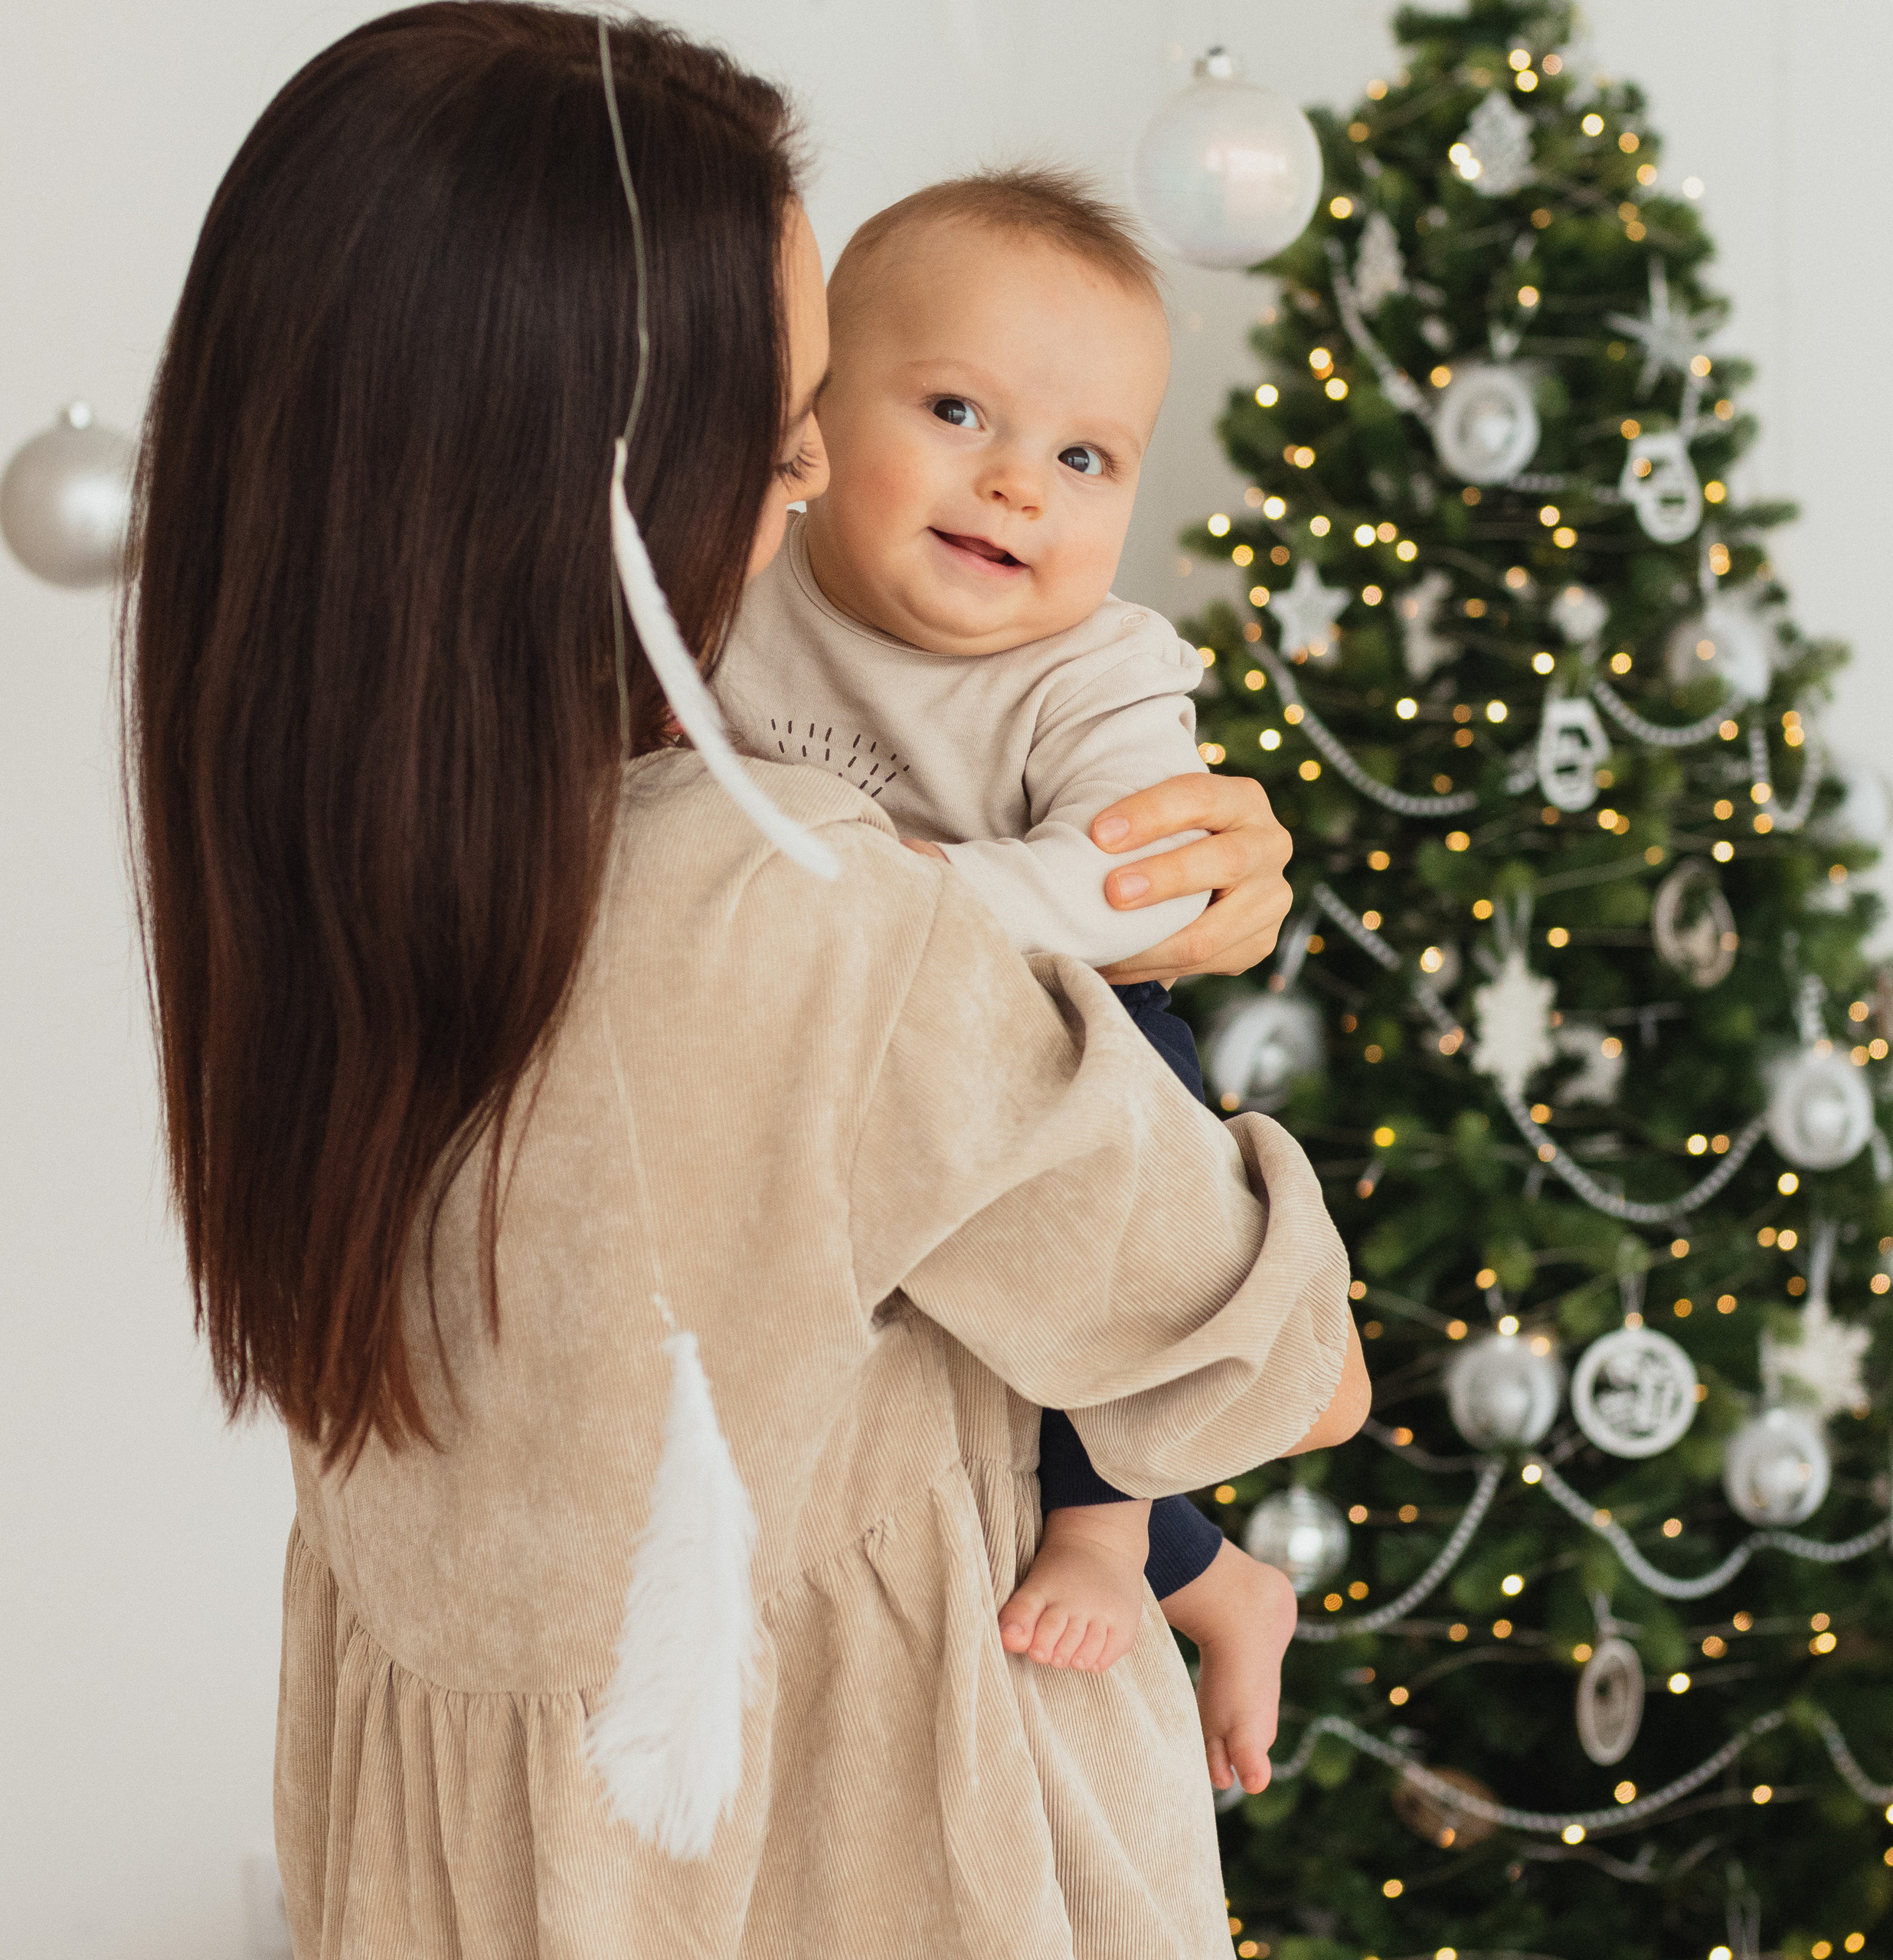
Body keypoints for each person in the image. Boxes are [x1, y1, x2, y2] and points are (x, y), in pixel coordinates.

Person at [125, 7, 1366, 1956]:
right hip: (881, 1865)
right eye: (790, 427)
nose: (804, 487)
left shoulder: (300, 857)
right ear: (598, 471)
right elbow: (1280, 1357)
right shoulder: (802, 913)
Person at [713, 165, 1303, 1785]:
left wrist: (906, 898)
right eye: (958, 408)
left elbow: (1135, 889)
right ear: (813, 421)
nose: (1016, 486)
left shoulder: (1099, 666)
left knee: (1131, 1134)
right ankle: (1230, 1578)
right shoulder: (735, 599)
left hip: (1063, 1013)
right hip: (832, 1055)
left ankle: (1112, 1531)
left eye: (1084, 456)